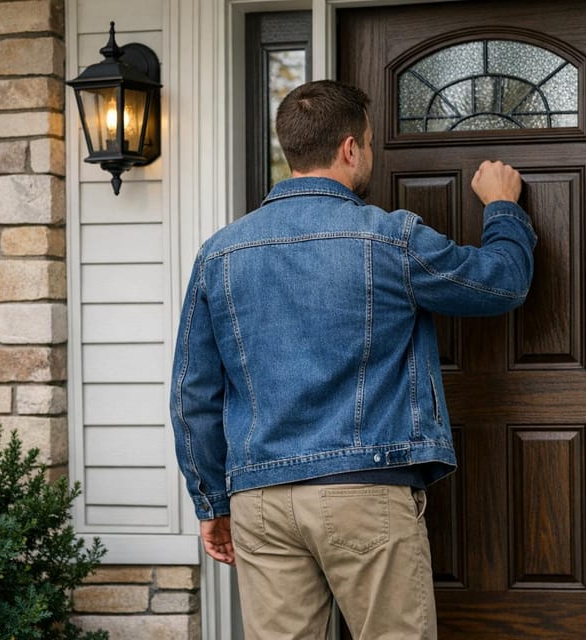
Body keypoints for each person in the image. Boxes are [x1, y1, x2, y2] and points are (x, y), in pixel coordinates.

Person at [170, 79, 536, 640]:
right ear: (349, 148)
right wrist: (504, 208)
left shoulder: (220, 252)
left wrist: (210, 501)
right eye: (367, 142)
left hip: (259, 501)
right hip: (363, 491)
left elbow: (193, 393)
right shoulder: (388, 239)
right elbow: (501, 284)